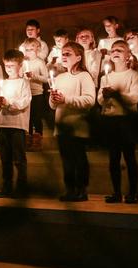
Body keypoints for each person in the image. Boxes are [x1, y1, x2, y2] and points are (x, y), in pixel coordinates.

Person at [49, 42, 96, 202]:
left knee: (78, 159)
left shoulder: (84, 76)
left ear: (78, 57)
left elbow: (89, 100)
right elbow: (53, 105)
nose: (63, 56)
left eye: (68, 53)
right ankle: (69, 190)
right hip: (62, 126)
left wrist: (66, 99)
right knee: (66, 160)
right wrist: (54, 99)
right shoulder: (60, 77)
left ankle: (81, 190)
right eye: (62, 53)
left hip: (78, 125)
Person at [97, 41, 138, 204]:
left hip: (127, 120)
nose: (115, 52)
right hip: (110, 119)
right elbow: (100, 100)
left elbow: (135, 97)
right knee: (113, 158)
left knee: (130, 157)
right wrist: (105, 96)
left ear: (127, 55)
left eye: (120, 50)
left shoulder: (134, 75)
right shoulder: (105, 77)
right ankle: (116, 192)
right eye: (113, 50)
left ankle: (133, 192)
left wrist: (117, 94)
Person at [0, 49, 32, 198]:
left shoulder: (24, 83)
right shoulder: (2, 83)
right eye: (6, 65)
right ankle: (7, 187)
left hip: (17, 125)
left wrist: (8, 103)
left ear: (20, 65)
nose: (8, 68)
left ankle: (22, 189)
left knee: (19, 159)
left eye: (12, 65)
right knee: (5, 158)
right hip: (2, 124)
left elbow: (23, 102)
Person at [21, 38, 49, 152]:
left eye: (31, 49)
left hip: (37, 93)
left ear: (37, 50)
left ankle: (37, 140)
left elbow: (46, 79)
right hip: (26, 93)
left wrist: (34, 76)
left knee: (36, 117)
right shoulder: (23, 62)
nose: (29, 52)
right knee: (28, 118)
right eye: (27, 50)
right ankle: (28, 139)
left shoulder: (40, 62)